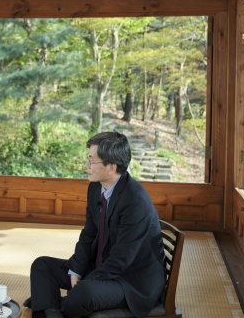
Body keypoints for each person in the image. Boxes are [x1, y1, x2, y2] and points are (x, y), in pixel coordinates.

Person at [25, 131, 166, 318]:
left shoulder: (135, 201)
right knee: (42, 265)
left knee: (85, 293)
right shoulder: (95, 187)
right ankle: (52, 311)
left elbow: (121, 260)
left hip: (130, 281)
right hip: (102, 267)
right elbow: (88, 234)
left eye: (92, 161)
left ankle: (50, 306)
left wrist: (84, 283)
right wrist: (76, 270)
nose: (86, 165)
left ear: (111, 167)